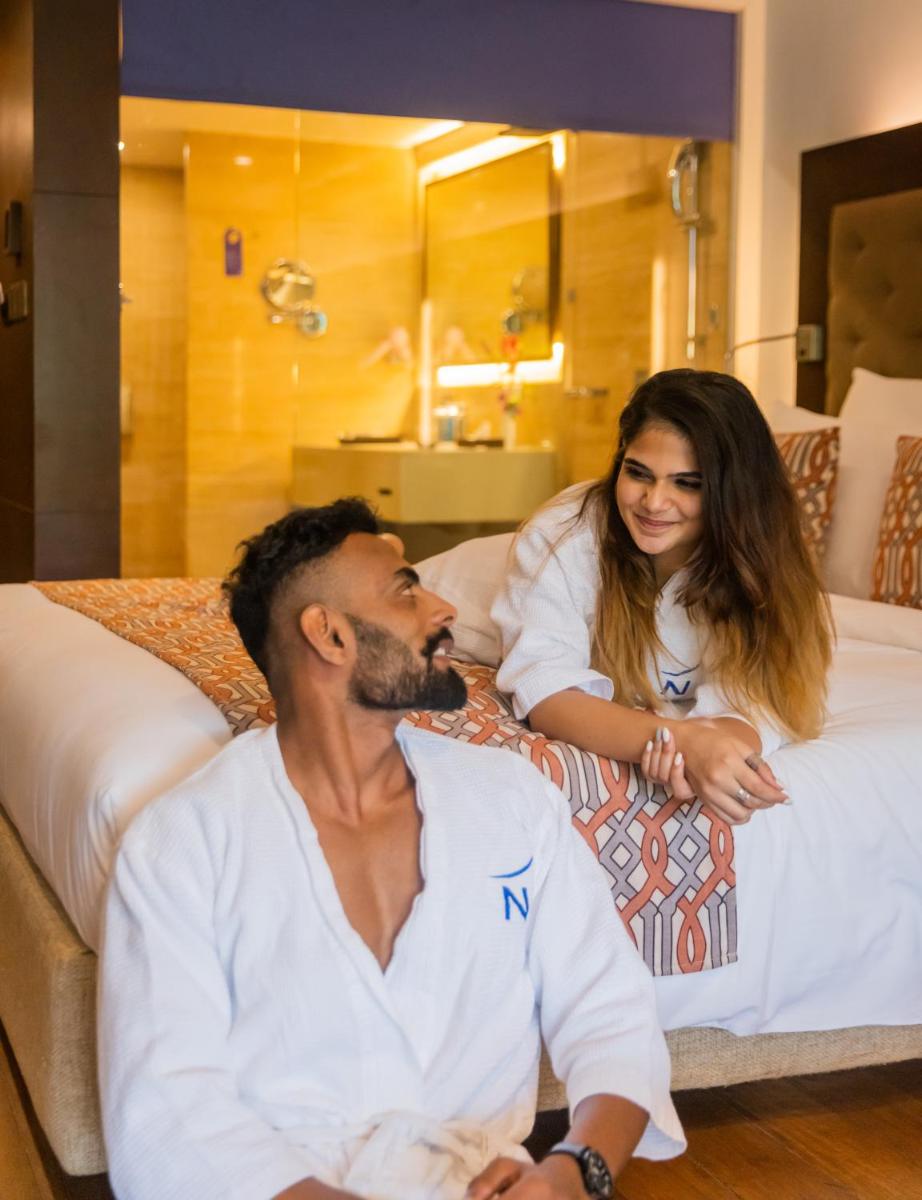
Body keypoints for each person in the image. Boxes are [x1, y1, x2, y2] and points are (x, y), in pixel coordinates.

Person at [98, 498, 684, 1200]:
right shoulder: (185, 841)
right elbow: (165, 1107)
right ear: (331, 636)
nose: (442, 609)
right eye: (406, 591)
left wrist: (572, 1171)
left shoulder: (510, 799)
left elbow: (609, 1007)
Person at [491, 369, 833, 826]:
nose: (654, 502)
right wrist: (676, 739)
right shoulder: (560, 537)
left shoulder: (767, 559)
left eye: (687, 483)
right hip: (474, 583)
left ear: (733, 492)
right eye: (639, 473)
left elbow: (766, 695)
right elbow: (548, 690)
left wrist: (712, 745)